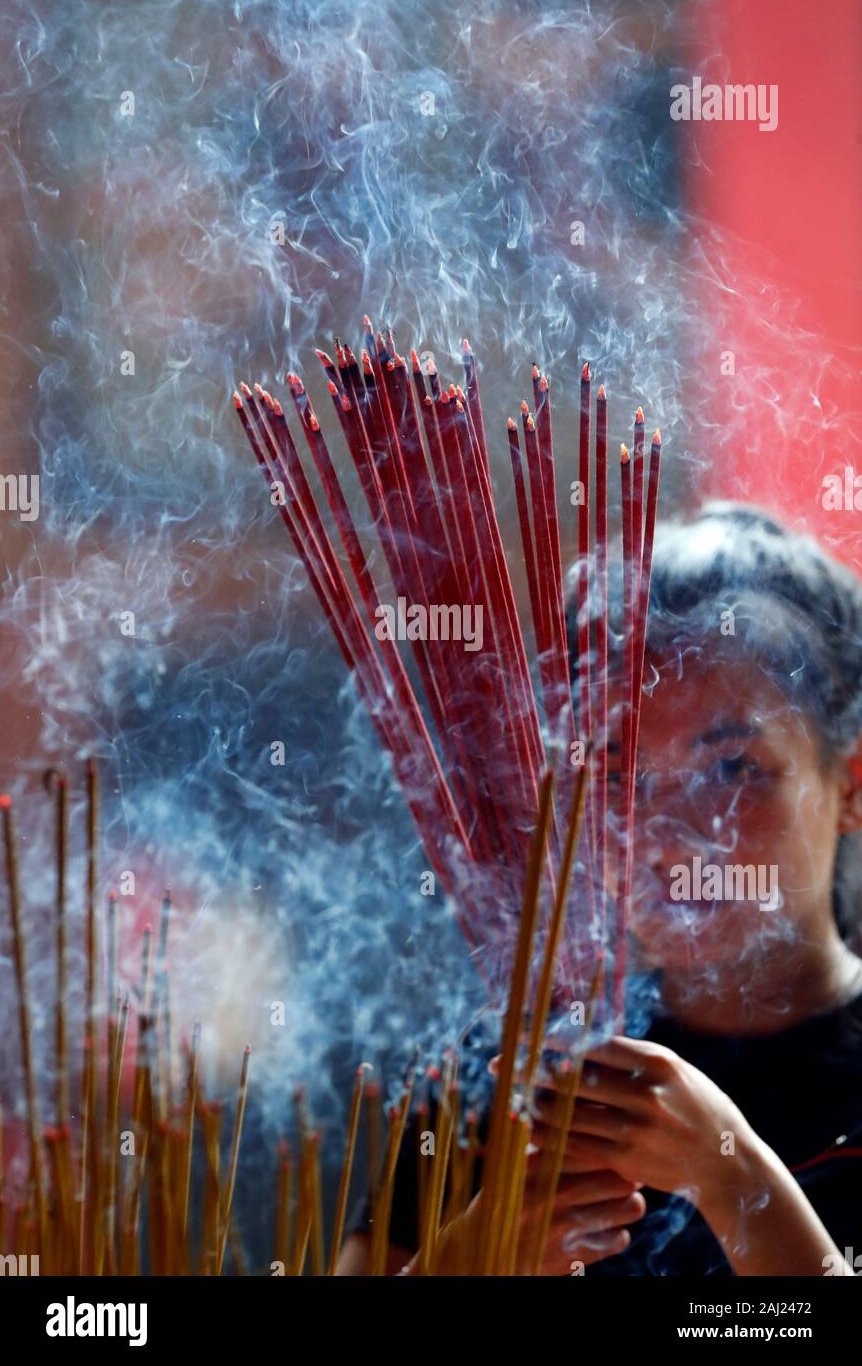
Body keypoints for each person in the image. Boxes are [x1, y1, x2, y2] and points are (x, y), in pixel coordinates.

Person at [338, 504, 862, 1275]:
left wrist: (731, 1176)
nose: (667, 833)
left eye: (732, 769)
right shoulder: (510, 1074)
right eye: (620, 777)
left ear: (849, 784)